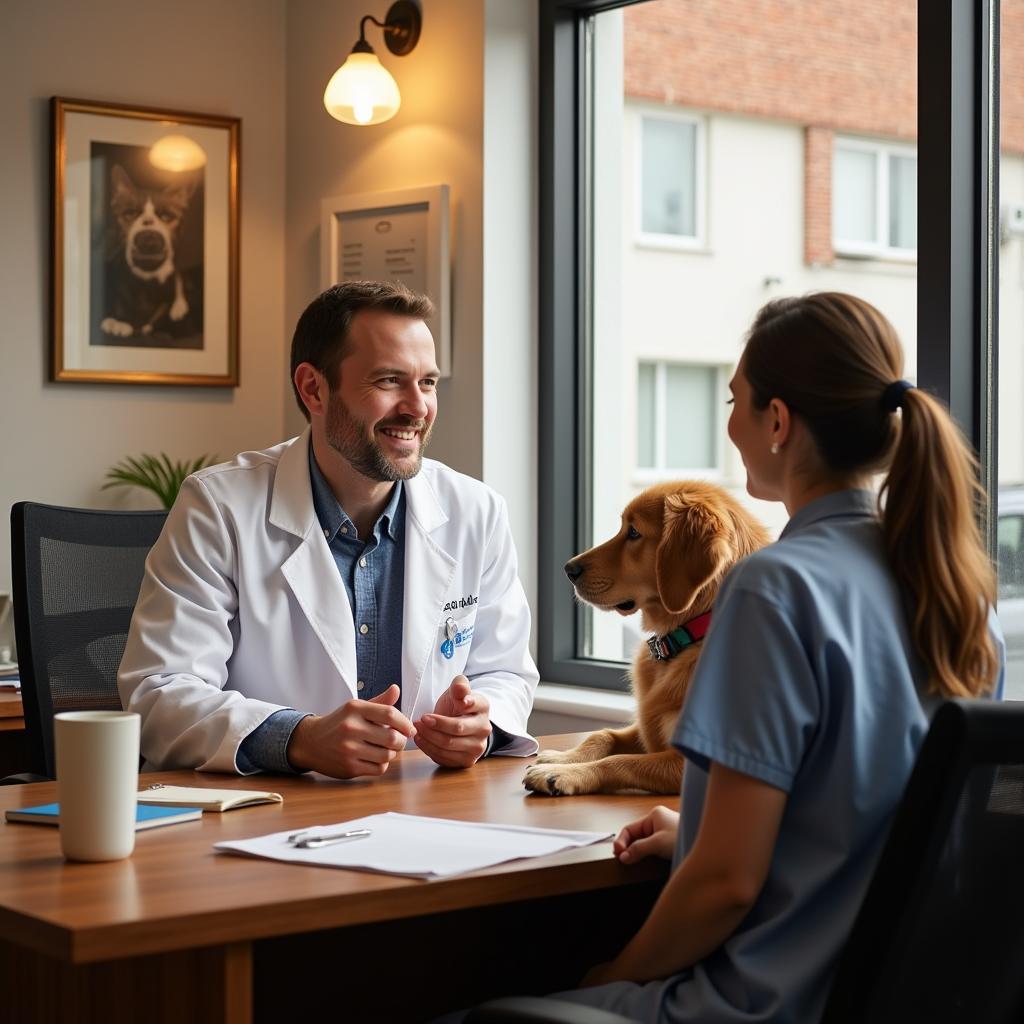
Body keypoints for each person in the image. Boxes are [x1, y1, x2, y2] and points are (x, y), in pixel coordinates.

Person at [487, 293, 1005, 1023]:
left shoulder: (772, 588)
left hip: (760, 1002)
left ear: (778, 422)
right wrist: (694, 834)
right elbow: (880, 827)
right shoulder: (957, 594)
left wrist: (607, 975)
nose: (729, 421)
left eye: (735, 399)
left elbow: (725, 886)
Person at [118, 281, 539, 777]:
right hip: (269, 816)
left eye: (427, 383)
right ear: (313, 389)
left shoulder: (476, 510)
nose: (418, 408)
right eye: (389, 381)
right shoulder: (218, 507)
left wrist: (480, 726)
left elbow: (506, 672)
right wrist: (298, 738)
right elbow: (160, 692)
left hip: (425, 810)